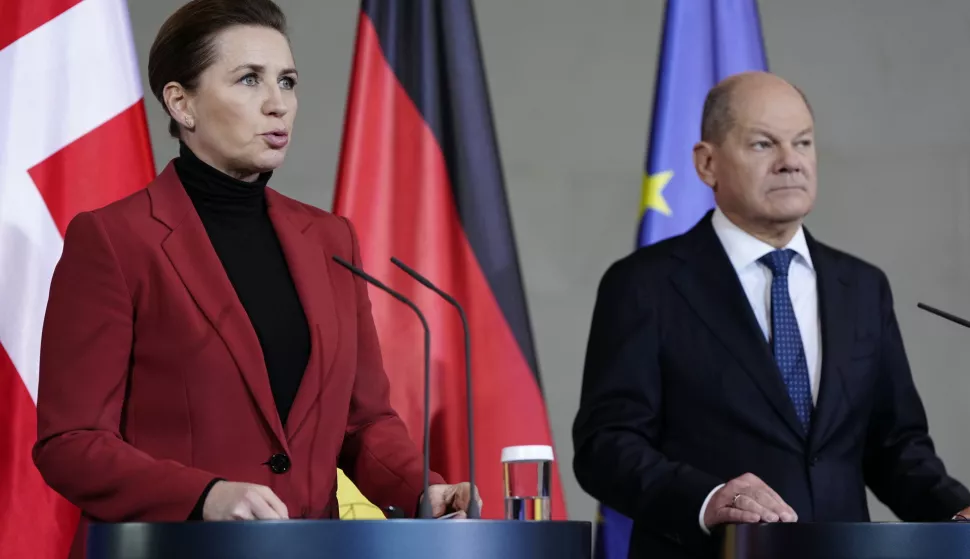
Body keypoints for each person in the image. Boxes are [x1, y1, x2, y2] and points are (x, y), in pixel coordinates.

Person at [32, 1, 478, 557]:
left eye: (287, 82)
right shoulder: (116, 241)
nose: (278, 105)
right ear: (181, 103)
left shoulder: (330, 240)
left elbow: (364, 425)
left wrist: (423, 491)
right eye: (249, 80)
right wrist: (206, 496)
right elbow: (70, 443)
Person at [572, 71, 970, 559]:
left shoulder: (862, 287)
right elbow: (606, 447)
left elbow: (896, 447)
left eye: (803, 142)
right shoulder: (645, 284)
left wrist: (956, 513)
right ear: (707, 163)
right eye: (763, 144)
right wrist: (705, 499)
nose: (791, 162)